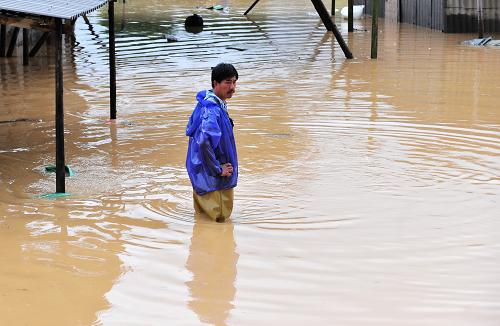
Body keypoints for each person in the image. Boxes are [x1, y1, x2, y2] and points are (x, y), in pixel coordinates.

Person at [186, 63, 238, 223]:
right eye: (228, 82)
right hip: (215, 180)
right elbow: (204, 142)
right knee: (219, 222)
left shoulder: (205, 103)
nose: (233, 87)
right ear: (215, 83)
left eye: (235, 82)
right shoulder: (213, 110)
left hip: (201, 173)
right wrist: (217, 169)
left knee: (203, 221)